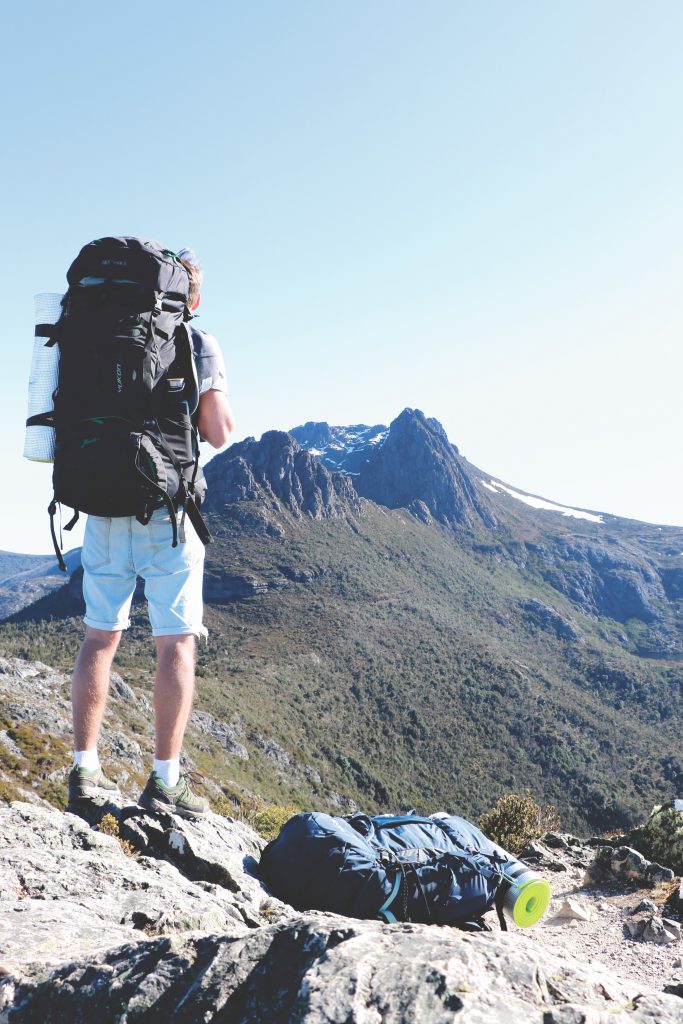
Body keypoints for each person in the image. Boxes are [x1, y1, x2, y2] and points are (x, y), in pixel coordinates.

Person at [66, 246, 235, 820]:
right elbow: (217, 433)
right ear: (189, 294)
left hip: (102, 504)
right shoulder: (195, 340)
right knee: (175, 642)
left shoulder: (96, 328)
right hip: (167, 513)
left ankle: (84, 772)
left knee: (99, 637)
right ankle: (165, 780)